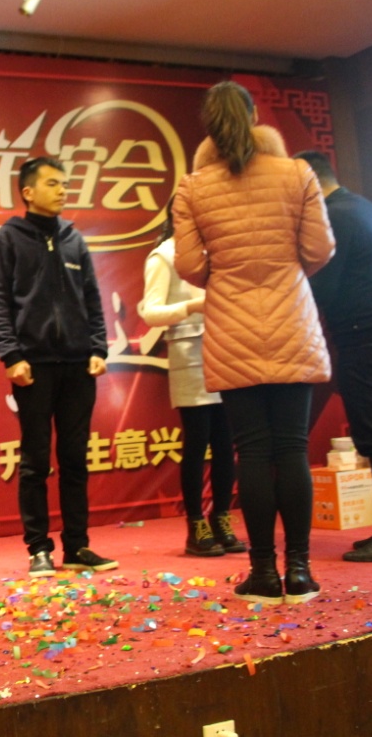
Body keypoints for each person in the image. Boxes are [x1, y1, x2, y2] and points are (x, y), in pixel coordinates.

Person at [173, 82, 334, 605]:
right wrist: (286, 271)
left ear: (208, 126)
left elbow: (189, 265)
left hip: (231, 328)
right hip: (292, 321)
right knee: (292, 449)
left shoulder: (193, 187)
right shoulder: (298, 173)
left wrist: (228, 277)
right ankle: (300, 573)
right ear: (255, 116)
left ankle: (263, 573)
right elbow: (320, 248)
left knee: (252, 452)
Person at [0, 156, 117, 578]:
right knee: (35, 461)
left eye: (64, 184)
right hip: (34, 365)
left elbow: (92, 298)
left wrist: (98, 348)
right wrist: (11, 355)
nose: (63, 190)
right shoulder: (8, 240)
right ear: (28, 192)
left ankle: (77, 546)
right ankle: (38, 548)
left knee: (75, 459)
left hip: (79, 365)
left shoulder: (74, 239)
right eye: (53, 184)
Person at [297, 150, 372, 563]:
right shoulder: (364, 207)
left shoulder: (334, 216)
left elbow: (325, 288)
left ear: (310, 183)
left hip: (363, 337)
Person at [138, 197, 245, 557]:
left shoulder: (217, 251)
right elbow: (151, 312)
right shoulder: (163, 255)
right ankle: (196, 524)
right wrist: (191, 306)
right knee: (198, 442)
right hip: (189, 354)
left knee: (226, 443)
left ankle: (222, 517)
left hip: (226, 351)